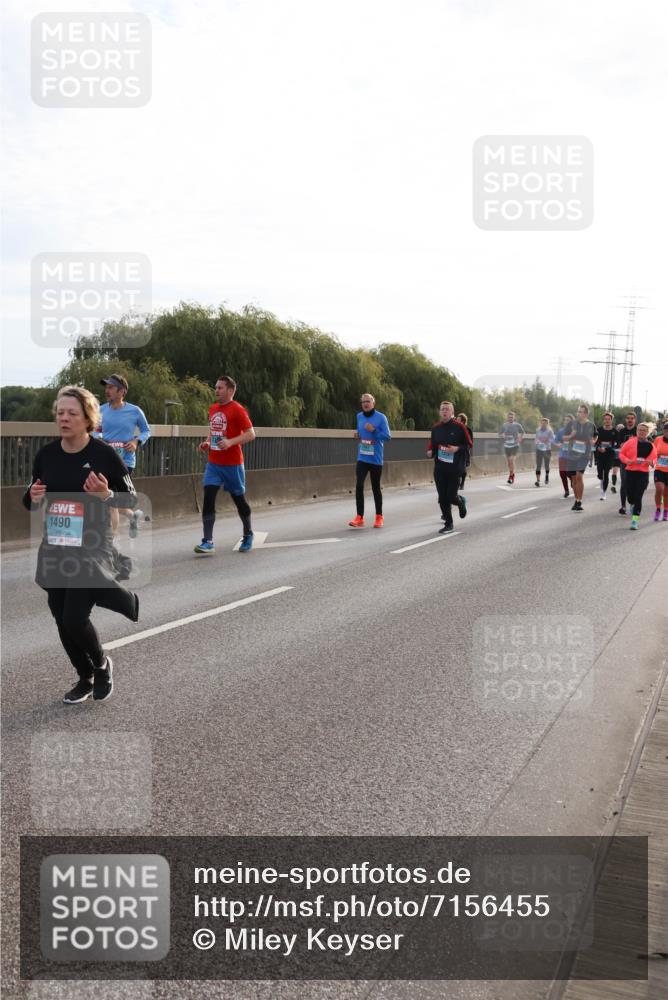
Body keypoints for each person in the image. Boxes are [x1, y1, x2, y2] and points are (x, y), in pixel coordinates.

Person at [22, 386, 139, 704]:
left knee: (74, 616)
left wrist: (106, 496)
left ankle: (102, 666)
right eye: (60, 412)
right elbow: (31, 497)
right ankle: (84, 677)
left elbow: (132, 498)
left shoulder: (103, 455)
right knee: (60, 615)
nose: (64, 418)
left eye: (72, 413)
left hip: (92, 547)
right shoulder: (46, 454)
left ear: (88, 418)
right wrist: (32, 498)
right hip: (57, 545)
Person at [194, 376, 255, 554]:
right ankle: (208, 541)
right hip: (214, 463)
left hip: (233, 464)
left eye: (220, 388)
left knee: (239, 500)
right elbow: (213, 431)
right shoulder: (213, 409)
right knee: (208, 498)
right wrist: (206, 443)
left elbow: (251, 434)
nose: (216, 390)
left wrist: (230, 442)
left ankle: (248, 533)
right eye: (216, 387)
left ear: (230, 390)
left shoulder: (237, 409)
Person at [97, 374, 151, 538]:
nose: (107, 391)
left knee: (110, 502)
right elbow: (95, 430)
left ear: (122, 392)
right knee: (108, 500)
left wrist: (136, 442)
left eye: (111, 387)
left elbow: (146, 431)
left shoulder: (134, 411)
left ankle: (110, 542)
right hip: (104, 460)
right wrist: (99, 438)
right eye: (106, 387)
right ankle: (132, 516)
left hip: (125, 462)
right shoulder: (100, 410)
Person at [348, 393, 391, 528]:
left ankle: (379, 516)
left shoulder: (381, 417)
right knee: (359, 485)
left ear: (373, 403)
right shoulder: (359, 416)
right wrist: (358, 435)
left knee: (375, 488)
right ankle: (359, 517)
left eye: (368, 401)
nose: (365, 404)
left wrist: (374, 430)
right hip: (362, 456)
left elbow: (387, 436)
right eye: (363, 402)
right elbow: (361, 432)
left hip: (375, 458)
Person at [427, 401, 472, 533]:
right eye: (442, 409)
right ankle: (449, 523)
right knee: (442, 497)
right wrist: (430, 452)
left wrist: (457, 448)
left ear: (452, 412)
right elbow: (433, 445)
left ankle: (460, 501)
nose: (444, 411)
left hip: (455, 467)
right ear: (440, 412)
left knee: (451, 496)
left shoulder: (460, 427)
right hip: (440, 467)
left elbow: (469, 444)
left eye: (447, 409)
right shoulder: (436, 428)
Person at [618, 423, 657, 529]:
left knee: (638, 496)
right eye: (639, 430)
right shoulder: (630, 442)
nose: (641, 432)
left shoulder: (651, 445)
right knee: (630, 497)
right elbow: (621, 454)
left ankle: (635, 520)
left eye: (644, 430)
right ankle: (631, 503)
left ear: (647, 432)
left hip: (643, 473)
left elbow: (655, 459)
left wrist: (651, 462)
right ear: (637, 431)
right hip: (630, 472)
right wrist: (627, 461)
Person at [564, 404, 597, 511]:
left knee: (579, 476)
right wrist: (571, 436)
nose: (578, 413)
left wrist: (593, 441)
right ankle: (576, 499)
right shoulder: (571, 424)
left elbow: (596, 435)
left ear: (586, 414)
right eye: (578, 411)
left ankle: (579, 501)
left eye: (581, 412)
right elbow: (564, 437)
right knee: (573, 479)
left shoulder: (591, 425)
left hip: (584, 454)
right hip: (572, 454)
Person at [594, 412, 619, 500]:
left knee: (606, 473)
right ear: (603, 420)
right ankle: (600, 478)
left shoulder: (615, 432)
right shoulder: (599, 430)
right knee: (600, 474)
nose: (607, 421)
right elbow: (595, 442)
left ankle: (603, 493)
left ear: (611, 420)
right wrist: (598, 447)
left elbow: (616, 444)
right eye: (605, 419)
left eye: (609, 419)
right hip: (600, 454)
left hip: (610, 455)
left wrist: (607, 449)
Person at [616, 412, 638, 516]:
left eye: (632, 418)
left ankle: (632, 503)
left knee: (633, 485)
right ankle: (623, 506)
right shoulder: (622, 432)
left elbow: (644, 444)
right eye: (628, 418)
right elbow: (620, 445)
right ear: (625, 420)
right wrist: (630, 442)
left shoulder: (638, 431)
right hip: (624, 462)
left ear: (635, 420)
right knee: (624, 483)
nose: (630, 420)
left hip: (636, 463)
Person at [499, 411, 524, 484]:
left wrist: (520, 438)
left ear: (514, 418)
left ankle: (510, 476)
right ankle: (512, 474)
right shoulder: (504, 425)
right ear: (507, 418)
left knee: (511, 460)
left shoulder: (517, 425)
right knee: (509, 462)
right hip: (507, 445)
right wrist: (502, 435)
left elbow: (523, 432)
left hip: (515, 445)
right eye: (509, 417)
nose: (510, 418)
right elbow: (499, 433)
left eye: (512, 417)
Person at [554, 414, 575, 498]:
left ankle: (572, 479)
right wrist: (558, 444)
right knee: (562, 473)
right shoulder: (561, 431)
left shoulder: (574, 431)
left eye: (568, 420)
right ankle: (566, 490)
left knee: (569, 472)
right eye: (565, 420)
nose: (566, 422)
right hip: (562, 455)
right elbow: (555, 440)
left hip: (572, 456)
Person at [652, 421, 668, 522]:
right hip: (659, 469)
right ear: (663, 431)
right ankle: (658, 509)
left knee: (667, 493)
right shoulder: (658, 439)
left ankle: (666, 511)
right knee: (659, 489)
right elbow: (653, 452)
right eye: (666, 431)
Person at [534, 417, 555, 487]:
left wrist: (548, 440)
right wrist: (537, 442)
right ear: (540, 423)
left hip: (547, 449)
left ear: (547, 424)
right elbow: (536, 439)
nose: (543, 424)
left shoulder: (550, 431)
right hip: (539, 449)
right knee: (538, 465)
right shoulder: (537, 430)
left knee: (546, 465)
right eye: (542, 423)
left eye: (545, 423)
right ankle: (538, 480)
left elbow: (553, 440)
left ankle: (547, 475)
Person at [456, 413, 473, 494]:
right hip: (456, 451)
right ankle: (458, 482)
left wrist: (466, 448)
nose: (456, 421)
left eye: (458, 420)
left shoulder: (468, 429)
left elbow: (471, 441)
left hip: (464, 451)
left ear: (463, 421)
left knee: (463, 468)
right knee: (456, 467)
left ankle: (462, 482)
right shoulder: (455, 429)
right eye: (456, 420)